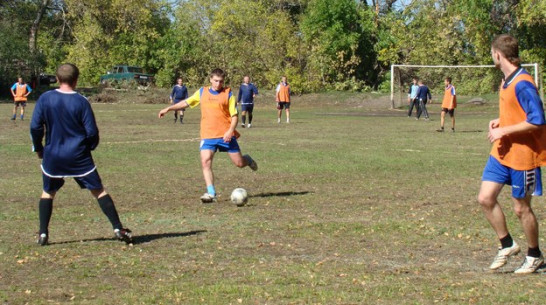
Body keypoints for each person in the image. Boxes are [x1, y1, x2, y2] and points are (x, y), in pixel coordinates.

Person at [30, 63, 133, 246]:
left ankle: (43, 234)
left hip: (53, 155)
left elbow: (35, 127)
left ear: (57, 78)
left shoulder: (45, 98)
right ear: (76, 80)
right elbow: (92, 132)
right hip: (78, 156)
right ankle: (118, 228)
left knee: (48, 191)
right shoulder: (81, 101)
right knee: (98, 191)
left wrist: (39, 148)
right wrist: (89, 147)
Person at [477, 34, 546, 274]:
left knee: (521, 208)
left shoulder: (523, 83)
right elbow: (515, 113)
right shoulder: (506, 80)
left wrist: (505, 129)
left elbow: (537, 120)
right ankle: (507, 244)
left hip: (523, 156)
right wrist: (499, 122)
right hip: (501, 153)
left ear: (498, 54)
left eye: (491, 53)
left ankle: (535, 255)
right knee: (485, 198)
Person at [158, 68, 258, 203]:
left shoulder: (228, 94)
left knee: (239, 163)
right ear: (210, 79)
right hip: (208, 134)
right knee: (205, 161)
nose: (218, 84)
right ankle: (211, 193)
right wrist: (169, 108)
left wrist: (230, 131)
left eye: (221, 81)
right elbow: (186, 102)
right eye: (216, 81)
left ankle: (248, 160)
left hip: (225, 134)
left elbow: (234, 116)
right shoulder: (202, 92)